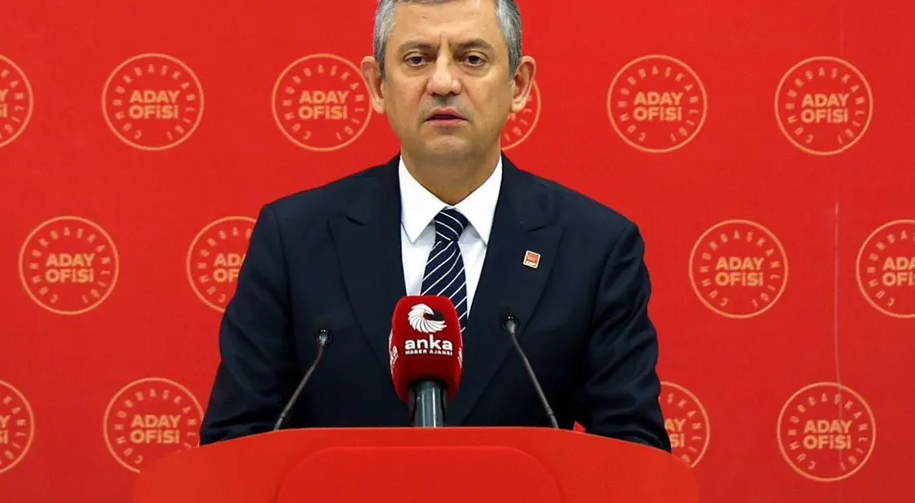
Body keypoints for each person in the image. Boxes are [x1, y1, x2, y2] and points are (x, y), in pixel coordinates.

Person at [199, 0, 670, 451]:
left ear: (519, 85)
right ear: (378, 85)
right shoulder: (295, 240)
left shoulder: (594, 249)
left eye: (472, 58)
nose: (443, 82)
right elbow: (236, 442)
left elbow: (633, 451)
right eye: (418, 59)